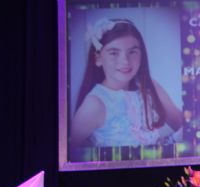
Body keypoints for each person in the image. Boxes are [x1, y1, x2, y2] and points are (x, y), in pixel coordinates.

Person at [70, 18, 182, 147]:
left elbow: (183, 126)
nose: (125, 61)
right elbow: (69, 152)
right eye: (114, 53)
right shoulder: (95, 104)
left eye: (132, 52)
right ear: (98, 58)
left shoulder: (150, 87)